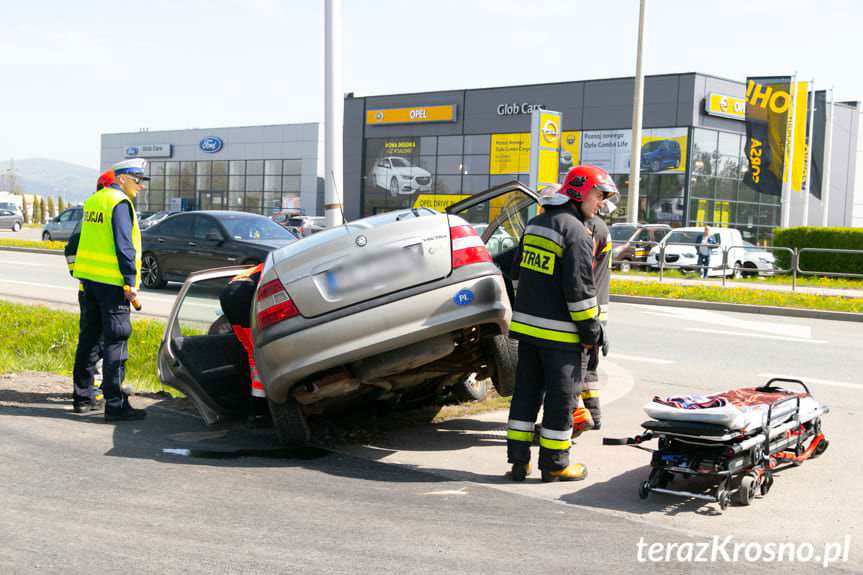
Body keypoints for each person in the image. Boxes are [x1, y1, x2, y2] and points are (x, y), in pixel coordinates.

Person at [505, 165, 616, 483]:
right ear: (580, 192)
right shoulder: (578, 233)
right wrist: (591, 332)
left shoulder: (536, 225)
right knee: (561, 399)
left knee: (525, 395)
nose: (600, 204)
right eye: (598, 195)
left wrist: (531, 306)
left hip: (528, 332)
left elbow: (517, 275)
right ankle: (554, 464)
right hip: (561, 337)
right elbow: (580, 291)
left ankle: (518, 462)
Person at [72, 159, 148, 421]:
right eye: (138, 180)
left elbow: (80, 240)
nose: (141, 186)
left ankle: (82, 399)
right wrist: (131, 282)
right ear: (123, 178)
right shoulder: (119, 202)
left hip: (89, 282)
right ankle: (115, 405)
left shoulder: (94, 200)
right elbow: (124, 245)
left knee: (89, 340)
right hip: (113, 285)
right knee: (117, 341)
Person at [68, 171, 116, 412]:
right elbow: (72, 250)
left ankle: (90, 392)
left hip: (90, 288)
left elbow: (72, 251)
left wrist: (80, 275)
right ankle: (92, 393)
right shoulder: (104, 213)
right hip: (101, 289)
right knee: (99, 342)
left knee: (94, 341)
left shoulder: (91, 213)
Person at [579, 194, 618, 430]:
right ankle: (595, 416)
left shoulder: (592, 228)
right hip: (600, 307)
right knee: (590, 366)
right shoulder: (602, 227)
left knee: (580, 366)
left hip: (588, 308)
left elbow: (583, 268)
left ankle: (582, 417)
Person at [219, 263, 269, 421]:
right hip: (245, 292)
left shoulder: (260, 266)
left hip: (228, 293)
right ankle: (258, 409)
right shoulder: (276, 265)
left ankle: (255, 409)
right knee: (259, 354)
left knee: (252, 353)